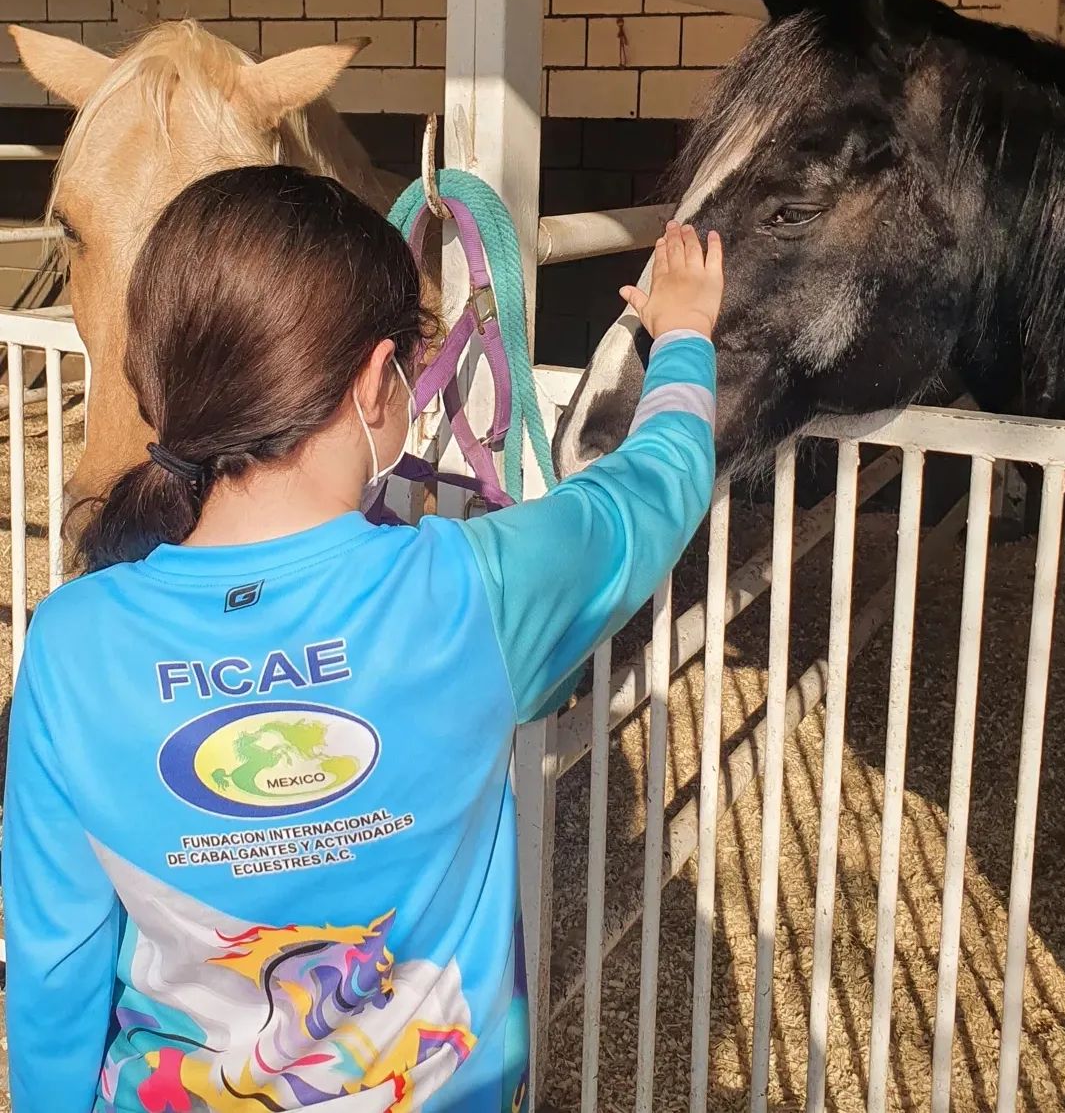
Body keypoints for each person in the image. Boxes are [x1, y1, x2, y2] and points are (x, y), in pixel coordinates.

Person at [3, 163, 723, 1113]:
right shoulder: (472, 593)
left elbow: (56, 964)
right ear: (380, 381)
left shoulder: (70, 644)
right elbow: (652, 491)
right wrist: (683, 338)